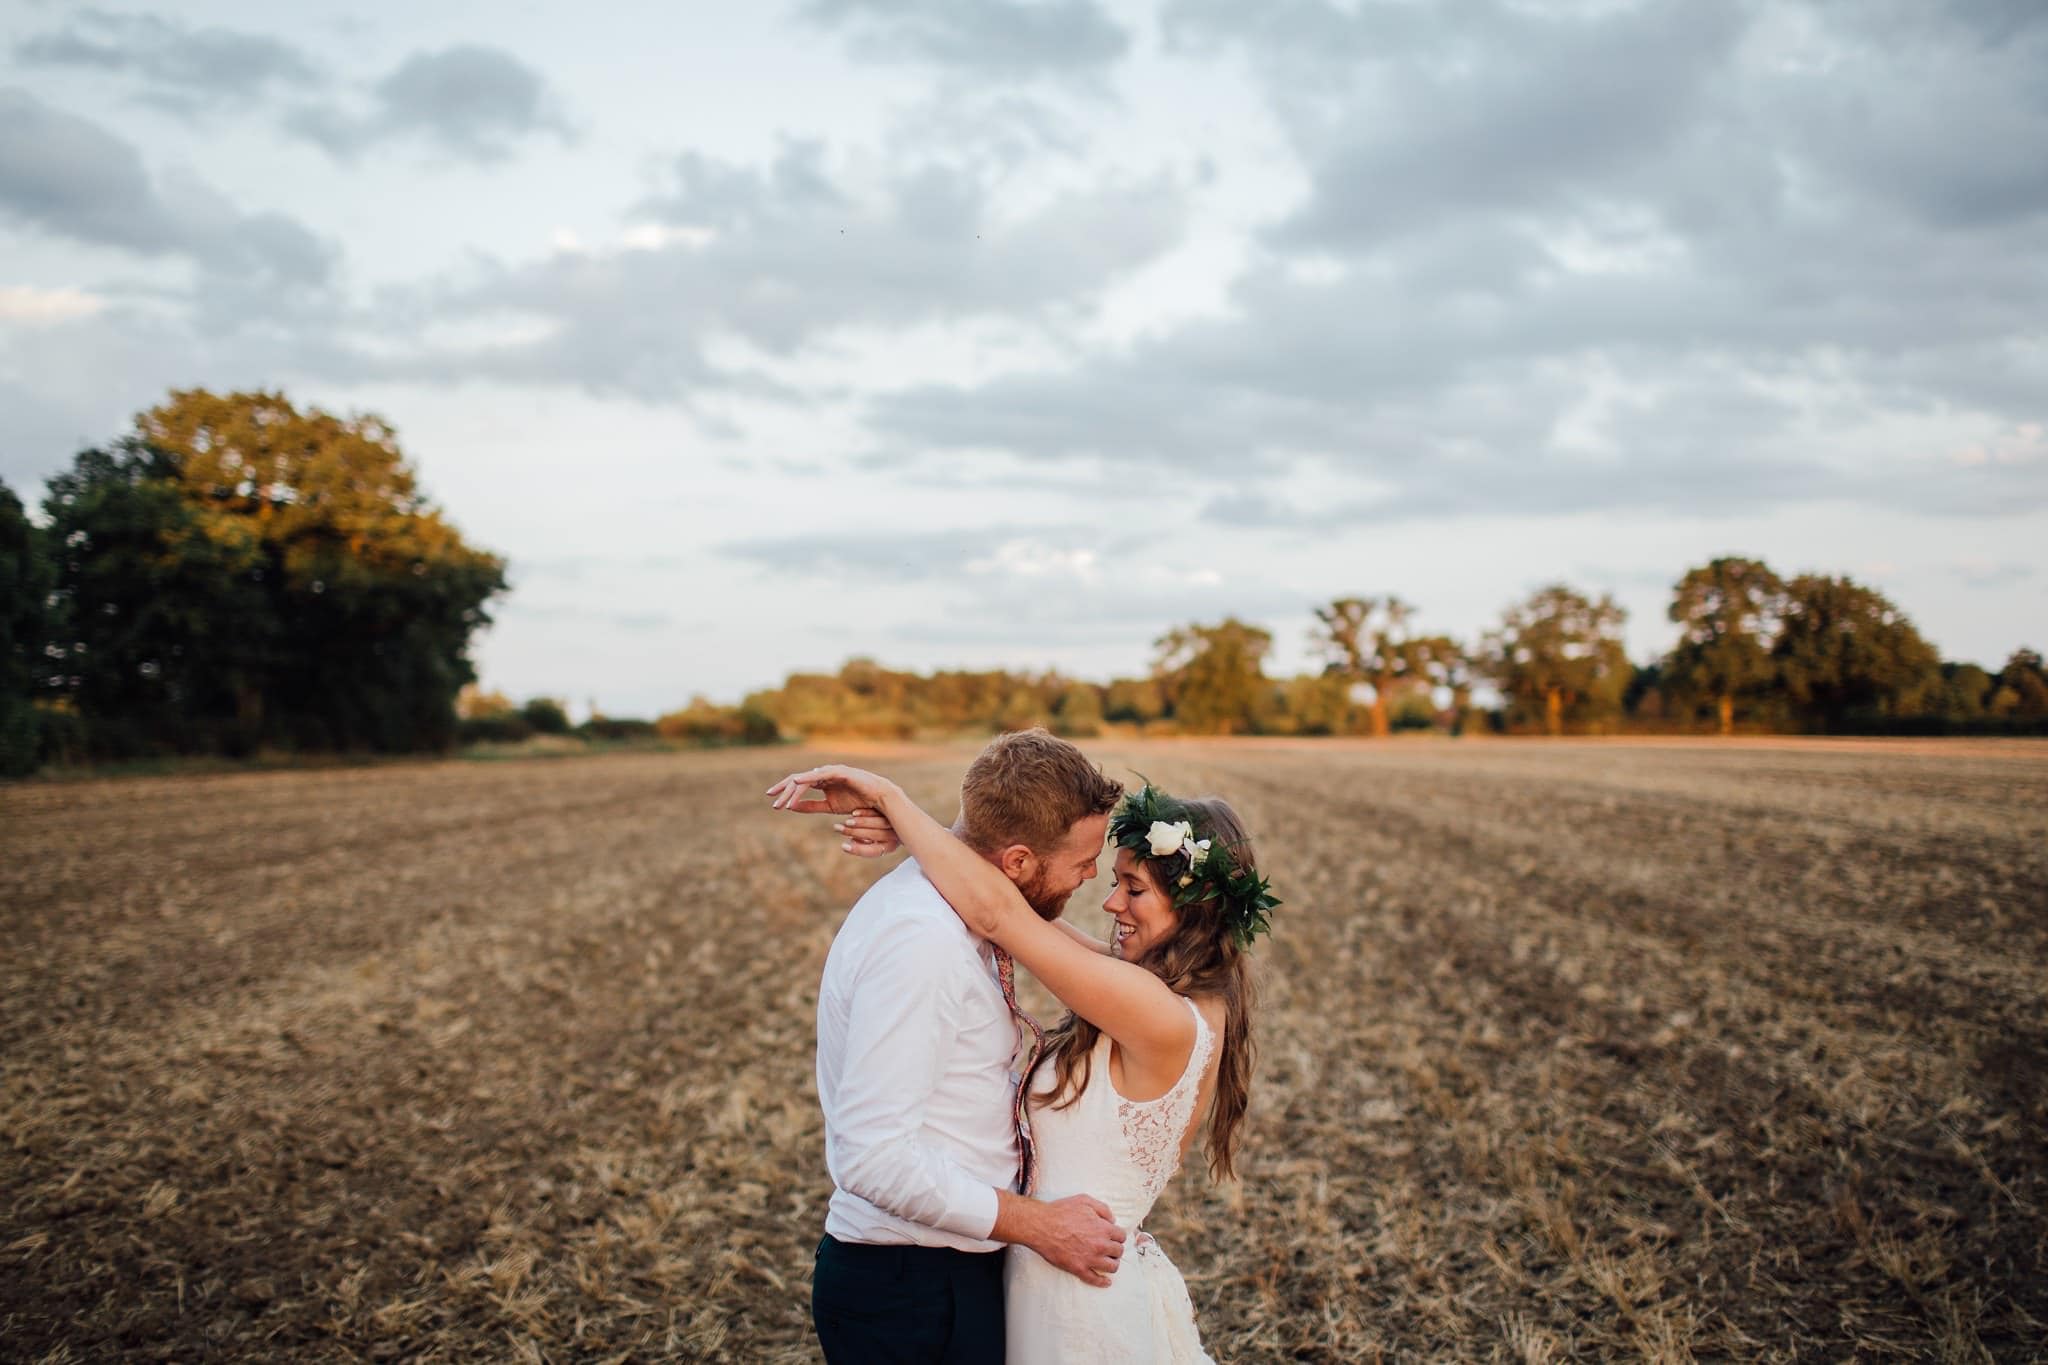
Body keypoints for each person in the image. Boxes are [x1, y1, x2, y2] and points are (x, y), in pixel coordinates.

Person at [771, 742, 1275, 1364]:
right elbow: (1010, 906)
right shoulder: (1164, 989)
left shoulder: (1159, 1012)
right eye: (1099, 870)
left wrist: (894, 802)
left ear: (1193, 906)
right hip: (982, 1273)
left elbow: (1005, 911)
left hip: (1074, 1285)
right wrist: (933, 836)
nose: (1105, 897)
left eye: (1131, 887)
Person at [785, 729, 1132, 1363]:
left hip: (944, 1273)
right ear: (1018, 862)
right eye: (1083, 863)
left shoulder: (954, 904)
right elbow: (870, 1158)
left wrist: (903, 814)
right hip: (908, 1292)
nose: (1092, 876)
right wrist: (1041, 1226)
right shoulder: (923, 945)